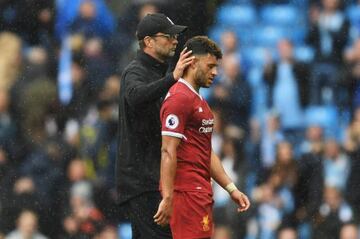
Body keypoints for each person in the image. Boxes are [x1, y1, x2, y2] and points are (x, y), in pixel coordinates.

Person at [154, 36, 250, 239]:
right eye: (210, 66)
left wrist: (231, 189)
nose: (215, 72)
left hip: (199, 192)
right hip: (185, 193)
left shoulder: (199, 101)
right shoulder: (179, 98)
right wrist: (169, 196)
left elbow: (206, 151)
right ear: (193, 62)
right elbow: (167, 150)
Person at [116, 13, 193, 239]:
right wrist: (172, 78)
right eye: (168, 36)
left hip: (153, 179)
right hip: (143, 182)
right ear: (149, 42)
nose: (175, 40)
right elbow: (135, 96)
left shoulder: (160, 73)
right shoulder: (135, 71)